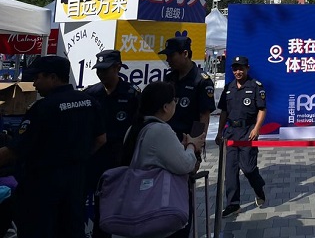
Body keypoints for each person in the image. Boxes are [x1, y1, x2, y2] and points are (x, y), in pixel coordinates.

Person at [0, 55, 106, 237]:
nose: (34, 84)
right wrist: (78, 158)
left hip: (44, 183)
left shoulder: (43, 108)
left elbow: (16, 150)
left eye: (37, 78)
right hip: (76, 179)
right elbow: (101, 139)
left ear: (53, 77)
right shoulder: (89, 102)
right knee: (71, 229)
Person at [116, 81, 205, 238]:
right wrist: (192, 145)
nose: (175, 104)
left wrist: (180, 147)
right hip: (157, 209)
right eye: (173, 101)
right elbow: (185, 165)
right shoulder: (160, 129)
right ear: (165, 107)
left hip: (136, 205)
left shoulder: (135, 127)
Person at [84, 49, 141, 236]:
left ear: (117, 68)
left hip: (119, 159)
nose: (101, 74)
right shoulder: (91, 94)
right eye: (98, 70)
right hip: (94, 158)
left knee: (114, 206)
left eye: (105, 70)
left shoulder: (132, 94)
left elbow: (137, 128)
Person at [216, 56, 267, 217]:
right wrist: (219, 132)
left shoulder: (255, 86)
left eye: (241, 68)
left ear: (247, 69)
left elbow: (262, 109)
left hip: (248, 132)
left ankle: (258, 188)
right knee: (230, 171)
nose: (238, 72)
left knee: (248, 168)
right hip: (231, 132)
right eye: (235, 69)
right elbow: (224, 111)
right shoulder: (229, 88)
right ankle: (233, 204)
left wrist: (257, 128)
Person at [159, 31, 216, 140]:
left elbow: (203, 115)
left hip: (187, 139)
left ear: (185, 54)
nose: (168, 60)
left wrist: (195, 142)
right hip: (167, 137)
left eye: (171, 55)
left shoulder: (202, 81)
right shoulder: (169, 78)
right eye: (167, 56)